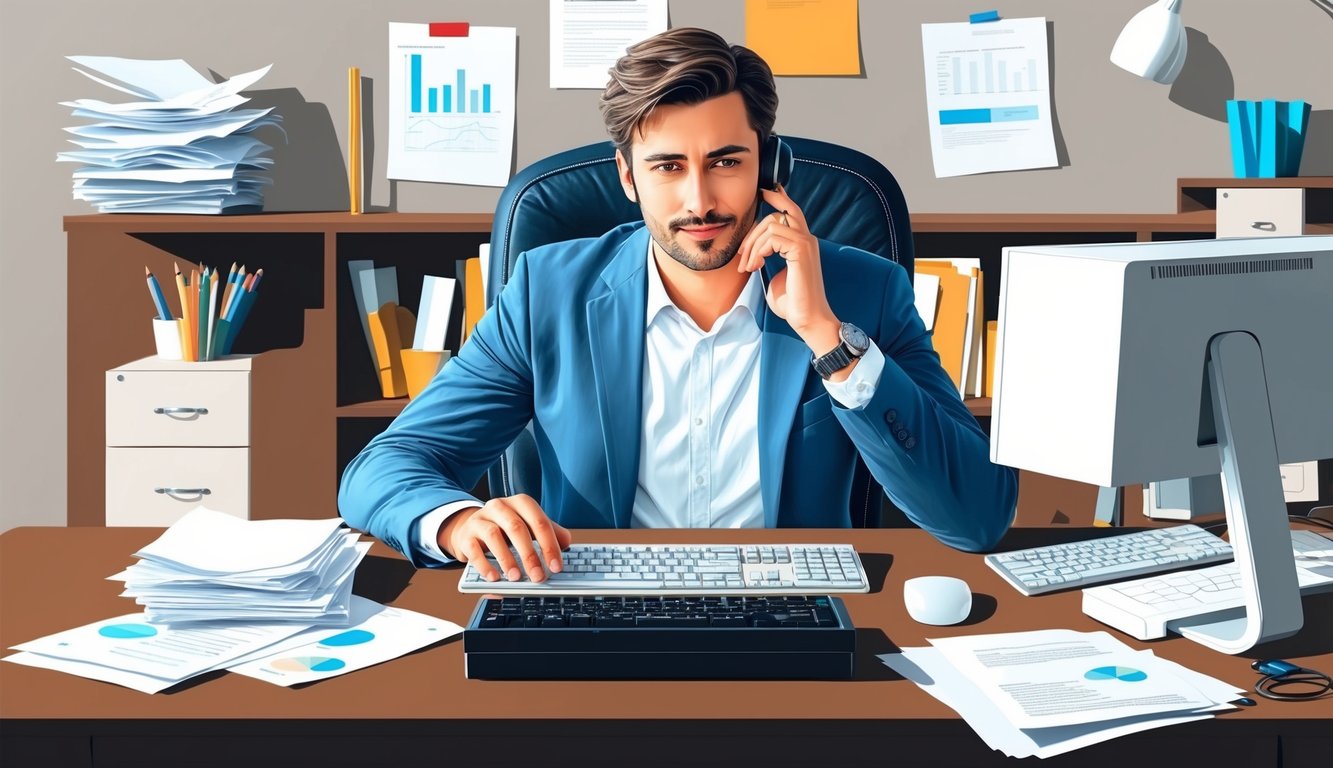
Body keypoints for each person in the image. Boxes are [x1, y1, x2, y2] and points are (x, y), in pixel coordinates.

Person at [338, 27, 1017, 582]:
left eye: (725, 162)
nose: (699, 201)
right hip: (593, 598)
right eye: (668, 167)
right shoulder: (547, 290)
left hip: (788, 600)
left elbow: (976, 518)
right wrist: (456, 521)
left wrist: (826, 338)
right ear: (628, 177)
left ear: (768, 168)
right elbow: (384, 467)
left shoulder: (862, 292)